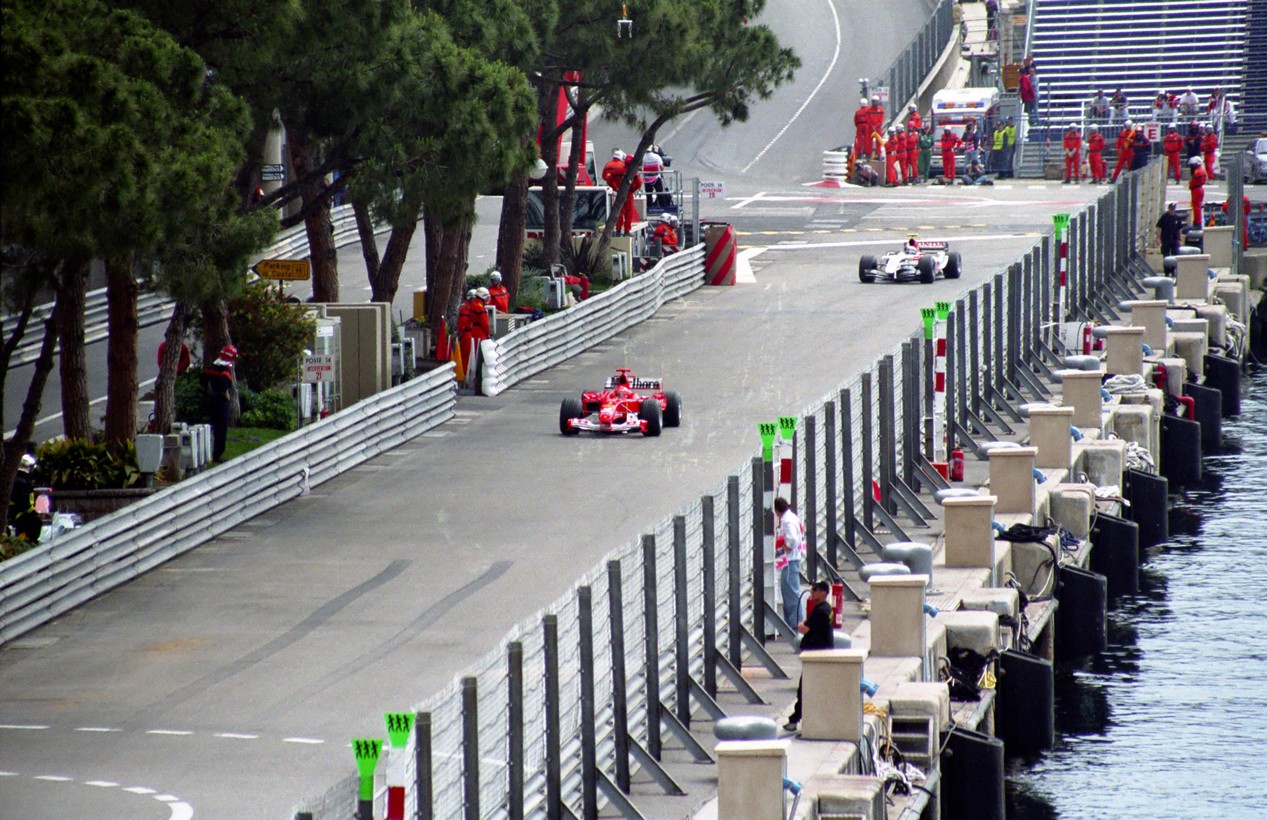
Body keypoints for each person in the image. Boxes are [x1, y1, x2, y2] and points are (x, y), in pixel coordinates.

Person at [782, 581, 834, 732]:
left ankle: (794, 720)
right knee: (810, 688)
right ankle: (798, 719)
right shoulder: (826, 609)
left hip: (816, 656)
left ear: (823, 593)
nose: (812, 592)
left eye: (815, 590)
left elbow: (805, 629)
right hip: (821, 654)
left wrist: (800, 626)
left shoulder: (820, 611)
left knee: (805, 689)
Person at [200, 345, 237, 463]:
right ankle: (218, 454)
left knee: (214, 425)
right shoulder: (225, 370)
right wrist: (224, 389)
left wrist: (208, 389)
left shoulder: (213, 366)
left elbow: (203, 379)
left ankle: (211, 452)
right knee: (221, 428)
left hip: (212, 399)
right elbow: (224, 384)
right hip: (221, 400)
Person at [773, 496, 805, 627]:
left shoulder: (787, 521)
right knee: (790, 593)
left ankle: (795, 625)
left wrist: (786, 547)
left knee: (791, 594)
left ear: (776, 510)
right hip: (793, 560)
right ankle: (792, 623)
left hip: (790, 561)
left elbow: (792, 540)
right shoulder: (792, 517)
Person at [8, 453, 41, 542]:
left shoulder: (19, 480)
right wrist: (32, 512)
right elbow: (24, 502)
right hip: (20, 516)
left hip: (19, 514)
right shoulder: (21, 483)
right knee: (35, 523)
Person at [1189, 156, 1207, 225]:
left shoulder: (1198, 172)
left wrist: (1190, 186)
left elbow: (1193, 182)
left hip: (1196, 190)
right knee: (1197, 206)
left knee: (1196, 207)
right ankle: (1197, 221)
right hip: (1199, 189)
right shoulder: (1201, 170)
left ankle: (1197, 222)